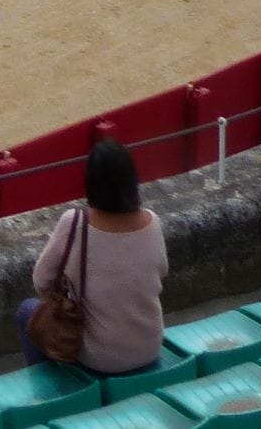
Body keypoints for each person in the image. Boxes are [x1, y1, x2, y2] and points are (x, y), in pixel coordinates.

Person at [17, 139, 166, 376]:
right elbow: (161, 272)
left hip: (100, 359)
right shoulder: (153, 222)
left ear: (91, 182)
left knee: (27, 310)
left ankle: (51, 392)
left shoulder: (74, 223)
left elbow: (41, 281)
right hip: (149, 347)